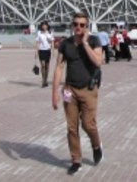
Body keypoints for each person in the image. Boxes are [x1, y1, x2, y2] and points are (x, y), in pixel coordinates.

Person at [52, 12, 103, 175]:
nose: (78, 27)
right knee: (72, 128)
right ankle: (76, 160)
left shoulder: (94, 40)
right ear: (72, 25)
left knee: (88, 125)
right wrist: (54, 92)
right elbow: (59, 67)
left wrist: (85, 43)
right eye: (75, 24)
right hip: (70, 90)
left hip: (89, 89)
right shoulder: (65, 44)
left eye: (82, 25)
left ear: (87, 26)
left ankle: (96, 145)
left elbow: (98, 62)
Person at [35, 21, 54, 88]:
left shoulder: (50, 32)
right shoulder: (39, 33)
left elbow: (52, 41)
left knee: (47, 66)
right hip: (41, 50)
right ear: (41, 26)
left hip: (47, 50)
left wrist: (53, 50)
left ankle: (46, 79)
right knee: (42, 65)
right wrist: (36, 51)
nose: (44, 27)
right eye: (43, 25)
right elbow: (37, 42)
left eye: (45, 25)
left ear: (47, 26)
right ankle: (43, 80)